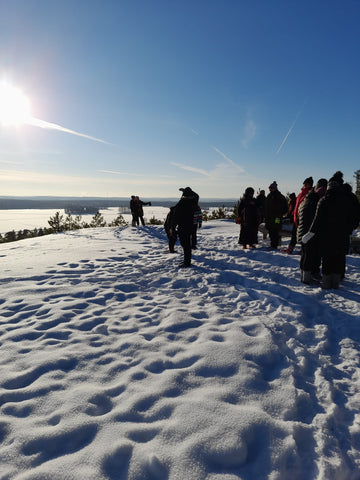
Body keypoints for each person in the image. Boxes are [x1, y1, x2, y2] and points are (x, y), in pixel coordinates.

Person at [303, 172, 360, 289]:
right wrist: (349, 229)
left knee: (327, 259)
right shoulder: (346, 200)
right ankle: (336, 283)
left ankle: (326, 283)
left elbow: (317, 219)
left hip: (327, 236)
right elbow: (354, 217)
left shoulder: (324, 200)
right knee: (339, 258)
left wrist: (311, 232)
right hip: (342, 235)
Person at [297, 178, 327, 284]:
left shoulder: (308, 198)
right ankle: (307, 277)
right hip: (309, 233)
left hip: (307, 232)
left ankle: (310, 274)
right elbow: (313, 220)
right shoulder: (313, 202)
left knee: (309, 255)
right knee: (308, 255)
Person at [284, 177, 313, 254]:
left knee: (303, 235)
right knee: (294, 234)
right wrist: (293, 214)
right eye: (304, 184)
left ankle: (303, 250)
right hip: (296, 217)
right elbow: (296, 205)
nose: (305, 185)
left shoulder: (310, 193)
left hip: (304, 218)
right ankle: (290, 248)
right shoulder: (300, 194)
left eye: (307, 184)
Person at [170, 187, 198, 268]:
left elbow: (175, 217)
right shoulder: (194, 201)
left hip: (183, 227)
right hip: (191, 226)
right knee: (188, 245)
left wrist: (172, 227)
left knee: (185, 245)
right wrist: (187, 191)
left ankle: (187, 262)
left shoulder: (181, 203)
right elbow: (197, 195)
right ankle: (187, 261)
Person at [264, 181, 288, 249]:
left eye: (271, 188)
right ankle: (273, 244)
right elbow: (266, 207)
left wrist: (280, 214)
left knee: (275, 230)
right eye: (269, 188)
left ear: (275, 188)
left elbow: (285, 207)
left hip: (277, 218)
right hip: (269, 218)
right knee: (271, 231)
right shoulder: (269, 196)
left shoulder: (280, 196)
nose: (270, 189)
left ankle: (274, 245)